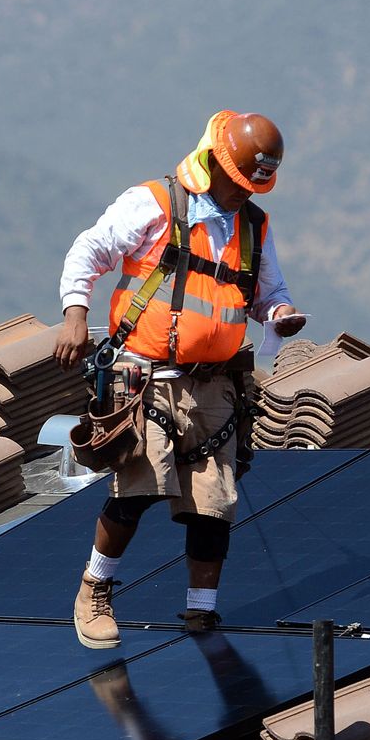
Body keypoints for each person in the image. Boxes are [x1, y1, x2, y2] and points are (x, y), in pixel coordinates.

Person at [54, 110, 307, 649]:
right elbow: (90, 249)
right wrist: (77, 312)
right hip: (146, 376)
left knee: (214, 501)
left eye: (255, 185)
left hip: (214, 384)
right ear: (214, 163)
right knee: (140, 487)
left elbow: (268, 292)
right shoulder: (156, 204)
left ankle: (201, 612)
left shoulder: (253, 226)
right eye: (240, 182)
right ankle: (94, 590)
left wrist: (280, 313)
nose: (245, 194)